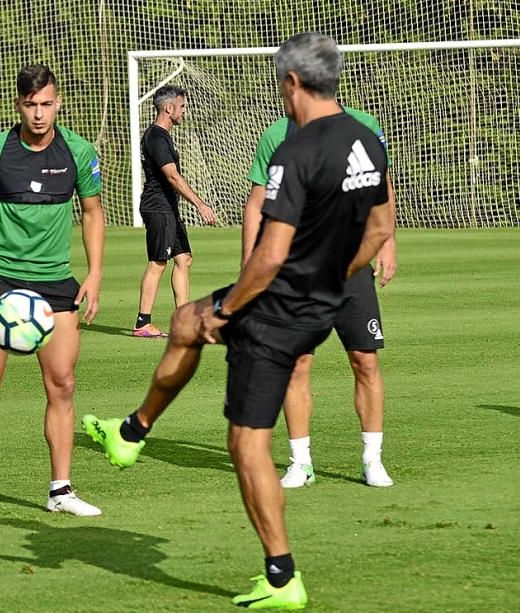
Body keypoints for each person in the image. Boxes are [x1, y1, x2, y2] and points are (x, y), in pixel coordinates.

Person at [83, 33, 394, 609]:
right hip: (321, 300)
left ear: (294, 82)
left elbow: (271, 256)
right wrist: (331, 277)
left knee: (246, 442)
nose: (280, 93)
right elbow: (379, 229)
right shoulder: (365, 139)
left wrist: (229, 310)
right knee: (183, 322)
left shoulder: (295, 152)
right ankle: (132, 434)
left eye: (281, 82)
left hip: (277, 307)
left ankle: (282, 578)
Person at [0, 64, 105, 521]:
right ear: (18, 104)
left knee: (63, 385)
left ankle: (61, 489)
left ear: (58, 102)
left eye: (46, 103)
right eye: (30, 104)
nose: (38, 113)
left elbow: (92, 212)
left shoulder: (79, 151)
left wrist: (93, 275)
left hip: (55, 283)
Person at [243, 108, 397, 489]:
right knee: (296, 365)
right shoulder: (275, 135)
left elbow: (382, 184)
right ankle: (301, 463)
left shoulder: (364, 126)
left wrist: (389, 240)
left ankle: (372, 460)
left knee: (365, 361)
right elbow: (257, 202)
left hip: (351, 265)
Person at [134, 85, 217, 338]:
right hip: (158, 207)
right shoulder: (157, 137)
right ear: (168, 108)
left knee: (184, 259)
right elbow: (172, 176)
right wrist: (200, 204)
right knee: (158, 263)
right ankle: (142, 323)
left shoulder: (163, 136)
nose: (184, 111)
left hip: (168, 207)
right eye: (181, 106)